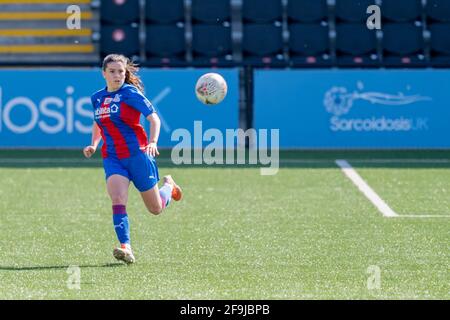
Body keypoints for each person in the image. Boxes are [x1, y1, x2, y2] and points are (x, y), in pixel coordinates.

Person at [83, 54, 182, 264]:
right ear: (104, 74)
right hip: (113, 158)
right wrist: (94, 143)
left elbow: (154, 118)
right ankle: (126, 247)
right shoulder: (97, 98)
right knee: (118, 199)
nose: (118, 75)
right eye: (112, 71)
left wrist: (153, 142)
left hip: (138, 156)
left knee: (155, 209)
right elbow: (98, 123)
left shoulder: (130, 93)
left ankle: (169, 187)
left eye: (121, 71)